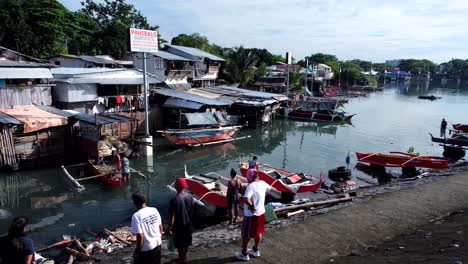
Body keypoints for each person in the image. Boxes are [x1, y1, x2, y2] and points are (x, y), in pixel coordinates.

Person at [235, 172, 271, 261]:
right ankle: (255, 250)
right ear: (257, 177)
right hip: (261, 213)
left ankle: (244, 254)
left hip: (251, 215)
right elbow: (269, 190)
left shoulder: (250, 186)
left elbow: (246, 199)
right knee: (258, 232)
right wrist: (261, 198)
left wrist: (251, 206)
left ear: (248, 179)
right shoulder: (263, 183)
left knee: (245, 234)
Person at [131, 191, 163, 264]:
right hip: (158, 245)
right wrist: (159, 240)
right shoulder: (154, 210)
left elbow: (140, 236)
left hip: (147, 249)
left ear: (135, 202)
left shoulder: (136, 216)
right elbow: (160, 228)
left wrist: (137, 251)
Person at [167, 178, 194, 264]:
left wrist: (169, 228)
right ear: (184, 186)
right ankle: (183, 258)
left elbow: (172, 217)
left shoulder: (174, 200)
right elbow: (192, 210)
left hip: (179, 227)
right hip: (188, 225)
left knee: (180, 245)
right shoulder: (190, 196)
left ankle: (182, 260)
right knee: (186, 243)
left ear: (175, 186)